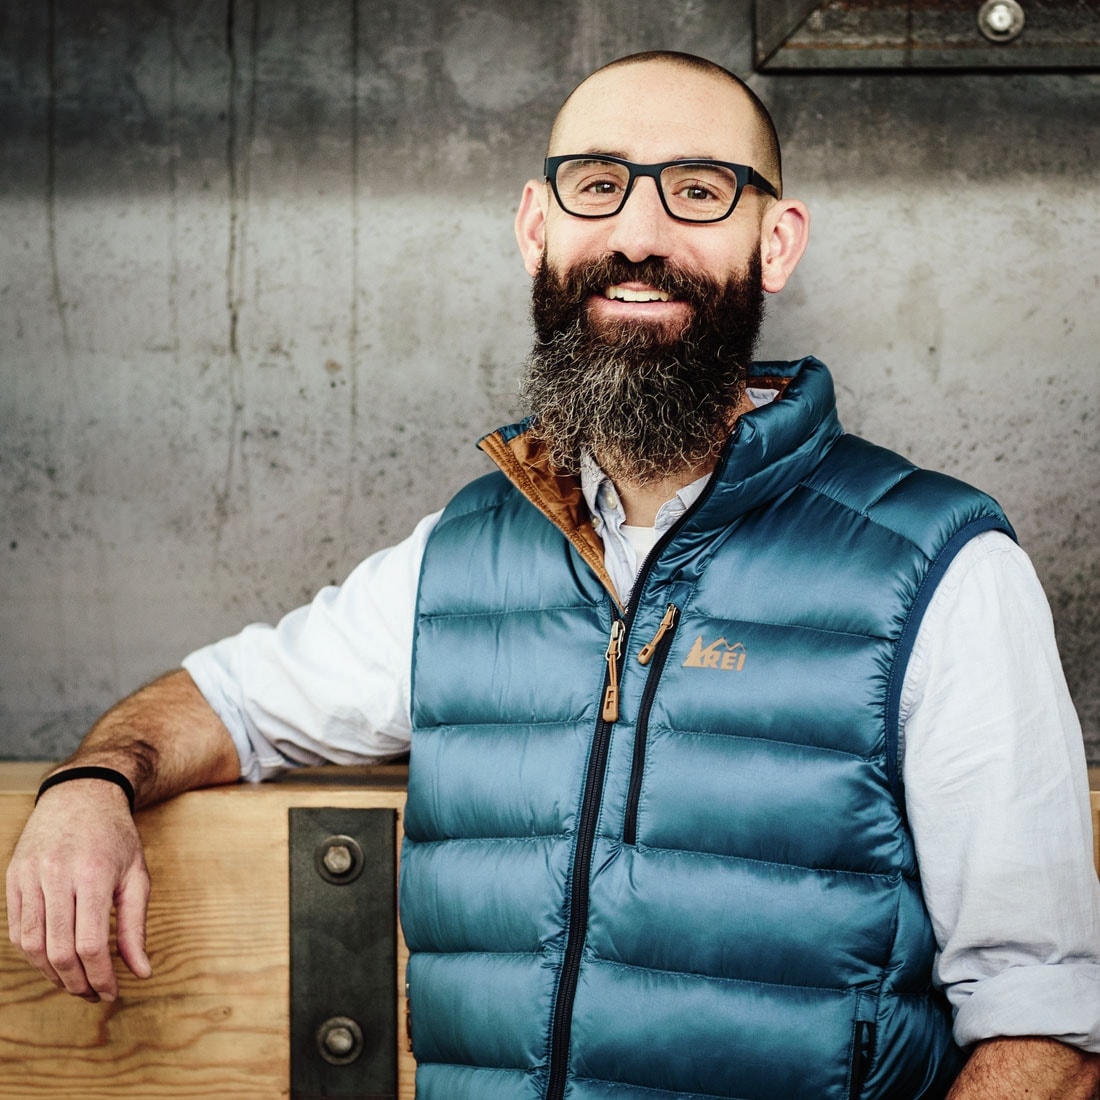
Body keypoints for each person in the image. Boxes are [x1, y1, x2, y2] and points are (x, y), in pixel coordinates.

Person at [6, 50, 1099, 1100]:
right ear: (537, 228)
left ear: (776, 242)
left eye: (699, 190)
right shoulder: (458, 557)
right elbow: (231, 704)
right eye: (596, 185)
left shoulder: (937, 569)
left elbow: (1046, 1029)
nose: (636, 232)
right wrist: (92, 782)